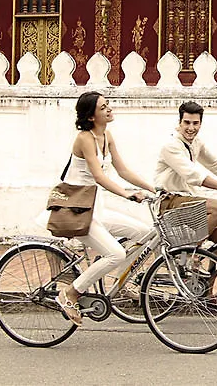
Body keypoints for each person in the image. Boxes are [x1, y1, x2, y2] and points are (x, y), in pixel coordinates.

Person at [55, 91, 154, 325]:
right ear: (91, 117)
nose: (109, 110)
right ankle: (70, 293)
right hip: (78, 211)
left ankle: (123, 280)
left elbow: (123, 170)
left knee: (143, 233)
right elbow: (99, 177)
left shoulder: (107, 136)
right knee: (116, 253)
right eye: (102, 108)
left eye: (108, 105)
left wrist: (152, 188)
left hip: (95, 209)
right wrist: (127, 194)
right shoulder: (84, 139)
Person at [155, 101, 217, 256]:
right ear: (179, 122)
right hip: (170, 201)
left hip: (188, 199)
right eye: (187, 123)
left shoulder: (195, 142)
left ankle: (206, 281)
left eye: (196, 123)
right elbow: (193, 175)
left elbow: (215, 163)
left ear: (201, 123)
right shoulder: (171, 146)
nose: (191, 128)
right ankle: (190, 253)